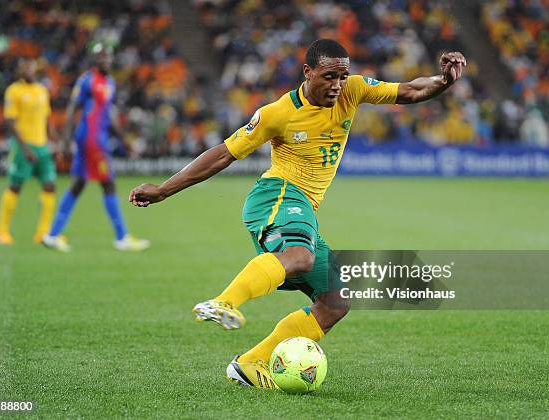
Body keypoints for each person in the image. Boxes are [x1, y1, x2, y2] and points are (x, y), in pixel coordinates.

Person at [128, 39, 466, 388]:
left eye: (342, 75)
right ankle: (223, 302)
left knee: (335, 303)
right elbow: (224, 153)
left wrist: (444, 81)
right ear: (308, 72)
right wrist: (164, 189)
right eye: (329, 76)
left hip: (303, 208)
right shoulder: (278, 113)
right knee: (300, 256)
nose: (337, 84)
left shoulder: (354, 90)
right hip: (277, 195)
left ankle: (249, 363)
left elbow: (410, 91)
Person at [43, 44, 149, 252]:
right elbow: (74, 107)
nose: (106, 60)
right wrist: (65, 139)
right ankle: (122, 237)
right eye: (101, 56)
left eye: (108, 56)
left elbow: (109, 115)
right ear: (94, 59)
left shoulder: (109, 81)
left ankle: (52, 234)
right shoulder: (87, 80)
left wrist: (125, 141)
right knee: (108, 184)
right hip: (92, 140)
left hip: (94, 138)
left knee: (78, 184)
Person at [0, 58, 57, 245]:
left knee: (50, 185)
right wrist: (24, 148)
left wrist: (56, 140)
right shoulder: (14, 91)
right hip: (24, 147)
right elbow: (10, 122)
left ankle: (43, 233)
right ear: (20, 71)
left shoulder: (42, 90)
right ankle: (2, 231)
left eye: (31, 66)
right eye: (25, 67)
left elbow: (46, 119)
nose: (29, 69)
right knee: (15, 186)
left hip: (43, 146)